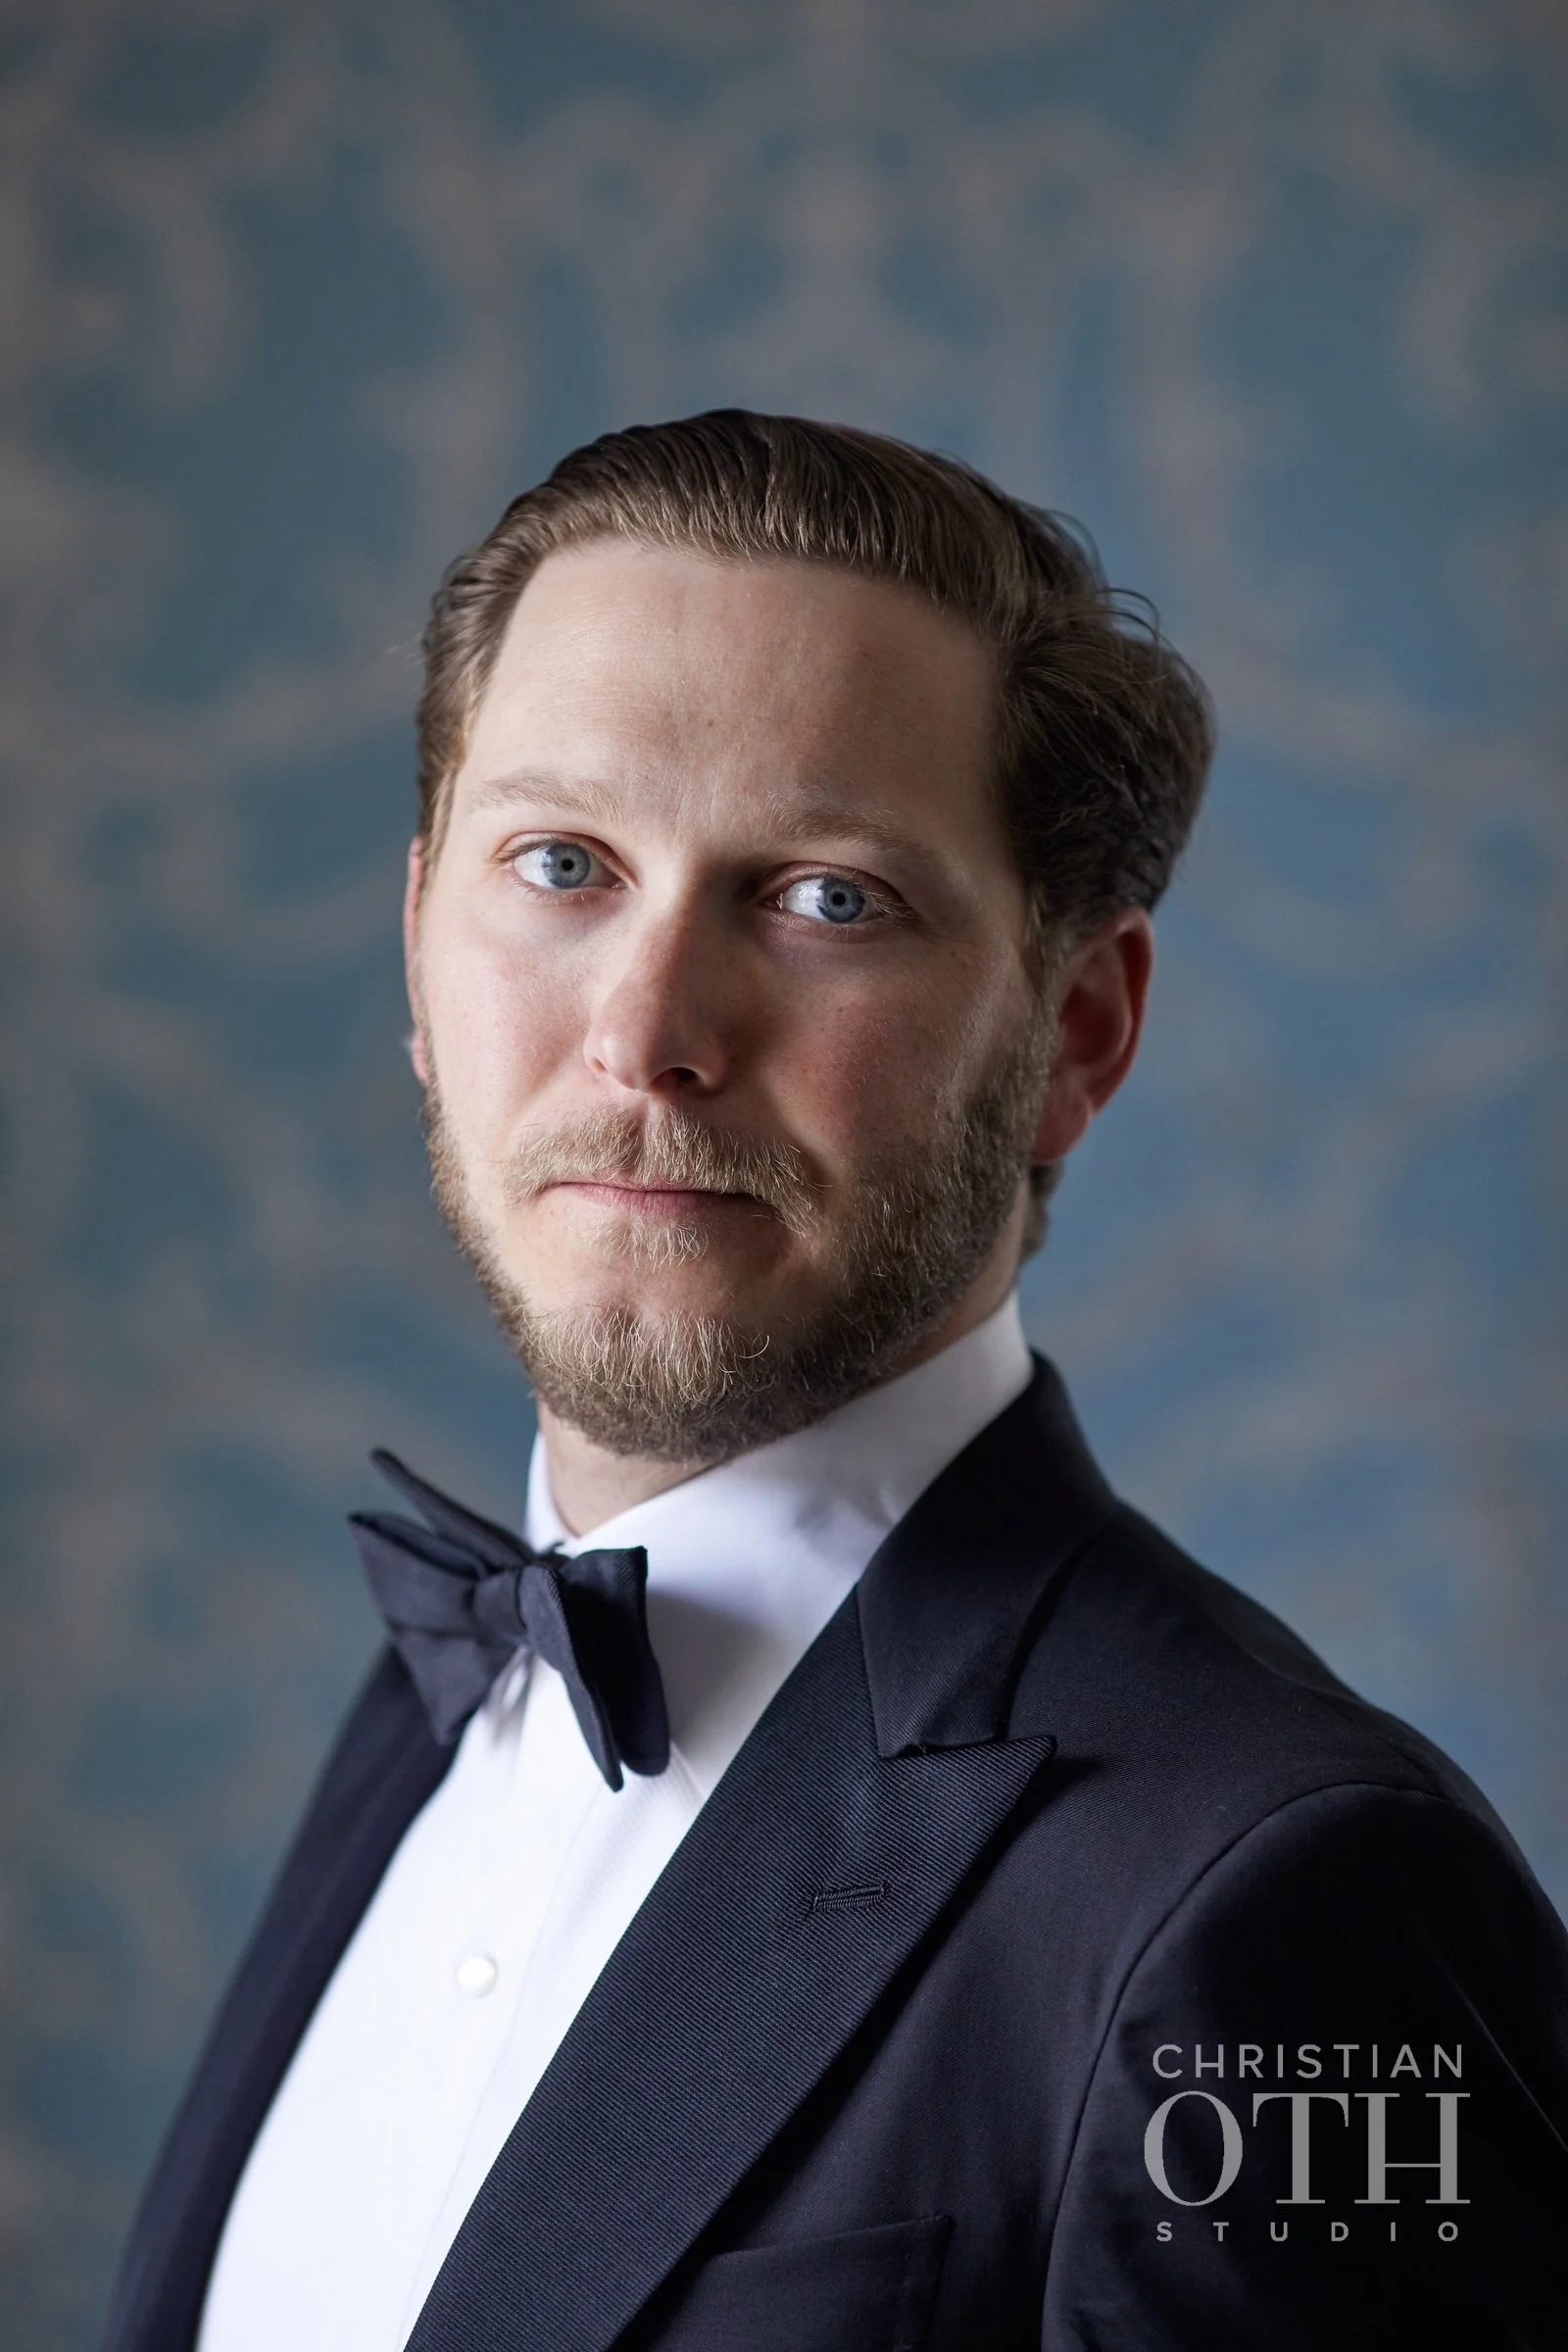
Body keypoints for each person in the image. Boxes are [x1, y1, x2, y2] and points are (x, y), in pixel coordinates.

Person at [108, 412, 1568, 2352]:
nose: (647, 1031)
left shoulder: (1297, 1897)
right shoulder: (427, 1708)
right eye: (561, 863)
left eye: (824, 898)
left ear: (1075, 1030)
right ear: (417, 951)